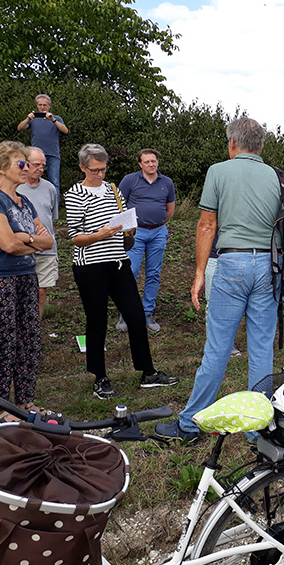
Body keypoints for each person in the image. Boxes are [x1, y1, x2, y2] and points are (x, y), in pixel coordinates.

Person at [155, 117, 284, 442]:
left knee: (217, 347)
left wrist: (200, 273)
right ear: (260, 146)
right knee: (261, 350)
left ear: (232, 143)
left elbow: (205, 225)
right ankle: (258, 430)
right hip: (270, 267)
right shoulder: (280, 177)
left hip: (231, 263)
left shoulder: (218, 171)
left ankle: (189, 425)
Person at [65, 143, 178, 400]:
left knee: (136, 318)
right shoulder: (74, 194)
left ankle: (147, 372)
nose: (100, 175)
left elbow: (125, 218)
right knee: (97, 322)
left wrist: (130, 228)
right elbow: (75, 237)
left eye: (103, 169)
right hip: (90, 266)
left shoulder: (114, 189)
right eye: (95, 170)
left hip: (118, 262)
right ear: (83, 167)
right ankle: (99, 377)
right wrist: (99, 235)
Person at [0, 141, 54, 418]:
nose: (26, 168)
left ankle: (24, 401)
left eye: (27, 163)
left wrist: (27, 239)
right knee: (2, 342)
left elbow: (48, 241)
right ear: (0, 167)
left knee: (29, 339)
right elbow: (8, 245)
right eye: (20, 163)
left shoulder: (26, 201)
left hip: (26, 275)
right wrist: (29, 240)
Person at [117, 149, 176, 333]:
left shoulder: (166, 182)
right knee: (130, 272)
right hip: (136, 232)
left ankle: (147, 312)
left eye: (154, 161)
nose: (151, 164)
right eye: (147, 161)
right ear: (140, 164)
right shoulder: (130, 180)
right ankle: (125, 313)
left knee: (153, 273)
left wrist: (157, 223)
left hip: (158, 232)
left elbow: (170, 209)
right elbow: (118, 204)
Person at [16, 147, 58, 319]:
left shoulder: (50, 188)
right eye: (36, 165)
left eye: (43, 165)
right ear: (25, 164)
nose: (41, 168)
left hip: (46, 248)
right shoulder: (15, 187)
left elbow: (52, 217)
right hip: (21, 247)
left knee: (41, 291)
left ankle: (35, 327)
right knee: (21, 291)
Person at [16, 94, 69, 200]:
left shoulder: (57, 118)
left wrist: (53, 120)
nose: (42, 107)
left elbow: (65, 131)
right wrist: (28, 118)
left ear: (49, 106)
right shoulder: (33, 119)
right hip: (35, 157)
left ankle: (54, 212)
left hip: (53, 155)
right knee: (31, 180)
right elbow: (20, 128)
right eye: (40, 105)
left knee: (54, 183)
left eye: (45, 105)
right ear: (37, 105)